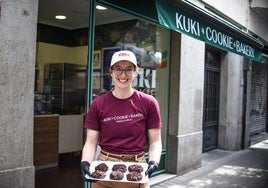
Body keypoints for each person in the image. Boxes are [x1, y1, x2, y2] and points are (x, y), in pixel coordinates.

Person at [81, 50, 162, 188]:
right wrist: (85, 162)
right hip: (103, 169)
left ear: (136, 72)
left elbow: (155, 141)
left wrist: (154, 162)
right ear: (111, 72)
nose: (123, 75)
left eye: (128, 69)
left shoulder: (149, 102)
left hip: (136, 167)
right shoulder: (98, 104)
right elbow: (91, 141)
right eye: (118, 69)